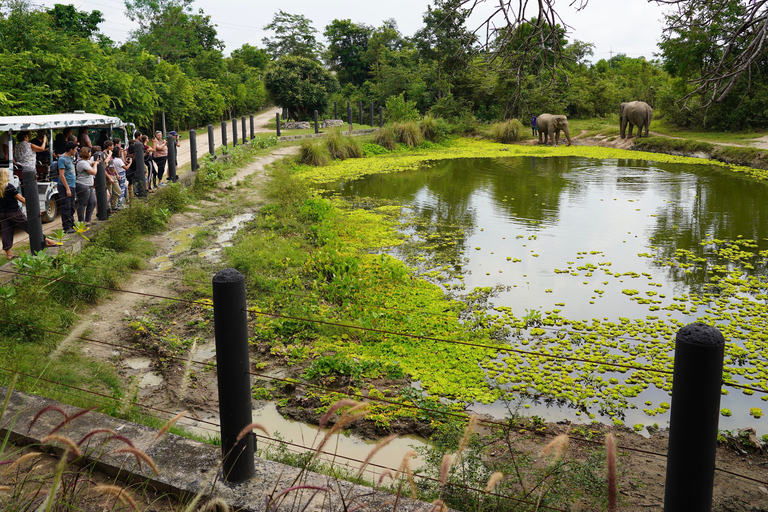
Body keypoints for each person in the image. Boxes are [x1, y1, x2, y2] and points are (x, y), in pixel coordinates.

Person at [0, 170, 60, 259]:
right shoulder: (9, 187)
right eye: (7, 173)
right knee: (29, 226)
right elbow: (20, 198)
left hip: (3, 214)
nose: (9, 175)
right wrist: (33, 207)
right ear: (4, 176)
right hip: (14, 212)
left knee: (6, 232)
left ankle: (8, 254)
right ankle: (47, 240)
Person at [57, 141, 78, 233]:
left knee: (72, 206)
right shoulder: (62, 159)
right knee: (66, 206)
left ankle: (71, 223)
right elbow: (62, 175)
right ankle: (66, 226)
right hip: (65, 186)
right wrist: (67, 188)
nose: (76, 151)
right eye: (75, 149)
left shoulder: (71, 158)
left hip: (72, 185)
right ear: (71, 149)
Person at [75, 147, 97, 224]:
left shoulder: (86, 161)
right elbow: (93, 172)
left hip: (89, 185)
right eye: (90, 152)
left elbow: (91, 162)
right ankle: (81, 221)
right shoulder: (82, 163)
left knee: (93, 201)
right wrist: (95, 165)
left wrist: (96, 162)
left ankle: (88, 219)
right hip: (83, 184)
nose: (91, 154)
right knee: (82, 203)